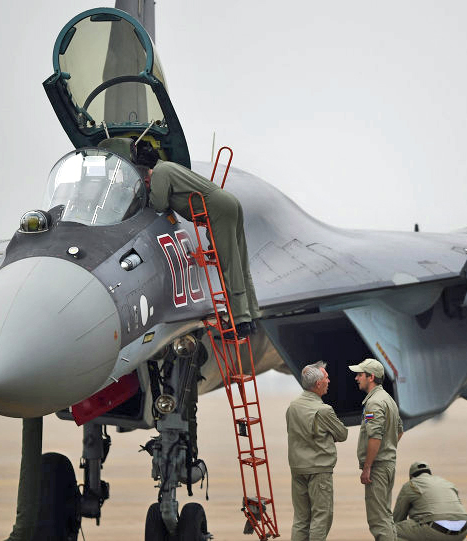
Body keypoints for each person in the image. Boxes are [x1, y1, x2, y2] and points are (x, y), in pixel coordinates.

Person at [133, 140, 260, 335]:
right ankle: (251, 315)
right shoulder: (168, 167)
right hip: (228, 203)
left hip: (217, 210)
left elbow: (158, 203)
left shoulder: (160, 173)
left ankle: (241, 320)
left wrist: (145, 195)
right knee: (240, 263)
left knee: (228, 264)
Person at [286, 361, 348, 541]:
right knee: (322, 517)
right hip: (319, 470)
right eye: (326, 378)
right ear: (318, 384)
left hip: (298, 469)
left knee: (301, 519)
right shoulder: (323, 410)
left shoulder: (293, 407)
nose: (329, 381)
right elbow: (342, 434)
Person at [350, 358, 403, 541]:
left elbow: (375, 436)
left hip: (378, 468)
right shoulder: (389, 400)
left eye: (360, 375)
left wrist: (368, 466)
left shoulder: (374, 403)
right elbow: (399, 431)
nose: (356, 378)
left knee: (378, 521)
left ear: (371, 377)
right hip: (387, 464)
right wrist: (388, 449)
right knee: (386, 517)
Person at [393, 461, 467, 540]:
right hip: (463, 530)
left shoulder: (411, 485)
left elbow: (398, 518)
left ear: (411, 476)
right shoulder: (447, 483)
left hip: (435, 531)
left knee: (388, 531)